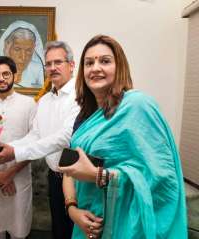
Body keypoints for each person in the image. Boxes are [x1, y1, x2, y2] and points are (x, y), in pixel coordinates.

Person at [60, 35, 187, 239]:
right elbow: (69, 169)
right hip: (87, 223)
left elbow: (164, 177)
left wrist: (97, 175)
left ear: (120, 67)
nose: (95, 68)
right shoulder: (84, 117)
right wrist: (72, 209)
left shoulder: (138, 106)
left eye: (105, 61)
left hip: (126, 227)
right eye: (89, 62)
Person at [0, 41, 80, 239]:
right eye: (48, 63)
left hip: (77, 180)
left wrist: (15, 153)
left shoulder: (80, 96)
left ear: (71, 65)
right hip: (55, 178)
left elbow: (65, 137)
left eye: (58, 62)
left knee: (76, 233)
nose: (52, 68)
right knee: (60, 232)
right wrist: (11, 147)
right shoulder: (45, 100)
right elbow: (36, 135)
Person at [0, 56, 37, 239]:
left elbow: (35, 144)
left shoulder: (29, 104)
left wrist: (10, 173)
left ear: (15, 76)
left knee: (19, 231)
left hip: (19, 177)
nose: (1, 79)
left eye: (6, 74)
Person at [0, 20, 45, 88]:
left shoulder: (38, 69)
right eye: (17, 49)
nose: (23, 57)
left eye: (28, 50)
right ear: (7, 46)